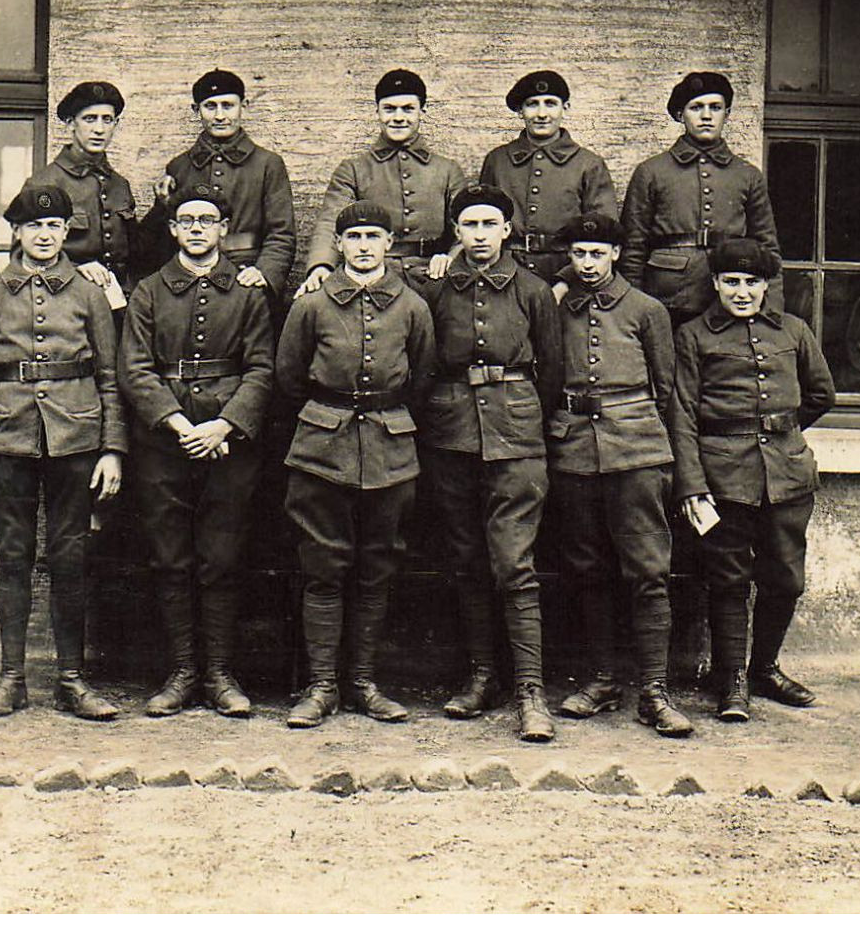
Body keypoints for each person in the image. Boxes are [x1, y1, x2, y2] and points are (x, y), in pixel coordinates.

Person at [0, 182, 127, 720]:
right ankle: (11, 680)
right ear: (19, 233)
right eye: (34, 227)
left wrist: (111, 449)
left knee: (70, 556)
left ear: (66, 232)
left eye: (54, 226)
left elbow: (110, 376)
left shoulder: (89, 293)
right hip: (6, 436)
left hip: (76, 437)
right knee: (13, 555)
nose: (45, 235)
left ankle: (73, 680)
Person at [276, 201, 436, 729]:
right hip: (322, 448)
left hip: (391, 450)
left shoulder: (412, 306)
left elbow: (422, 377)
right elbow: (289, 376)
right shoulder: (312, 307)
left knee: (376, 568)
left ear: (389, 243)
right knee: (323, 566)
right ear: (338, 245)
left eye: (374, 236)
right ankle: (322, 685)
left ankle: (363, 682)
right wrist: (329, 415)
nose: (364, 245)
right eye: (354, 236)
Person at [119, 184, 274, 719]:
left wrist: (224, 426)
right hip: (164, 440)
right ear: (173, 229)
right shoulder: (149, 291)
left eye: (208, 219)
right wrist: (180, 422)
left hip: (229, 442)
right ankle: (183, 670)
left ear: (224, 228)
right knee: (170, 556)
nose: (197, 228)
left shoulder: (250, 293)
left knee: (222, 557)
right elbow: (134, 368)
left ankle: (219, 672)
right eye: (187, 220)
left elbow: (262, 368)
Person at [415, 184, 563, 742]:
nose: (478, 235)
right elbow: (423, 359)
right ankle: (481, 676)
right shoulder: (436, 291)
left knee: (514, 563)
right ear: (456, 231)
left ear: (507, 229)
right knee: (466, 558)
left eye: (489, 224)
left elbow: (550, 370)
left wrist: (522, 418)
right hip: (451, 434)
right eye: (468, 225)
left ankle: (530, 690)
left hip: (517, 435)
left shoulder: (533, 290)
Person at [670, 239, 835, 721]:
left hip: (786, 475)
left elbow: (821, 393)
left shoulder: (793, 330)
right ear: (716, 283)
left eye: (752, 283)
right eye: (732, 282)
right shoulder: (695, 336)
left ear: (766, 285)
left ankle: (764, 668)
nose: (742, 292)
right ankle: (732, 681)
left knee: (785, 577)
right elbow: (681, 414)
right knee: (728, 581)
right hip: (724, 478)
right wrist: (692, 483)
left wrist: (779, 434)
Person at [547, 213, 692, 737]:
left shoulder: (646, 310)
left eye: (597, 253)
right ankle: (603, 679)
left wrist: (677, 465)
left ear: (614, 254)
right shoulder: (555, 305)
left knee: (648, 570)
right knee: (586, 568)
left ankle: (654, 691)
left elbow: (668, 388)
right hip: (573, 452)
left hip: (636, 451)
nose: (587, 264)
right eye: (578, 254)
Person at [618, 71, 782, 327]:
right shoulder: (651, 172)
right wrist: (631, 307)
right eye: (696, 107)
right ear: (680, 115)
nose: (707, 115)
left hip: (729, 297)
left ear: (727, 114)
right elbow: (633, 247)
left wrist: (771, 309)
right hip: (667, 297)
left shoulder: (748, 175)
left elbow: (767, 247)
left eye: (715, 107)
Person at [297, 69, 465, 294]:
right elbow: (330, 223)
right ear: (377, 111)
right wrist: (320, 266)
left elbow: (465, 228)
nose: (398, 117)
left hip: (434, 279)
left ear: (422, 111)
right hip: (372, 279)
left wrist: (450, 258)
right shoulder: (353, 170)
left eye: (407, 109)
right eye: (389, 109)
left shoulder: (447, 170)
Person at [147, 69, 297, 303]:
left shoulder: (267, 164)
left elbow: (282, 233)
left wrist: (264, 272)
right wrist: (162, 206)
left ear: (243, 106)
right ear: (196, 110)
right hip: (191, 281)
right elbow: (164, 239)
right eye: (210, 106)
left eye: (227, 105)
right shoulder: (179, 166)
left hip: (247, 276)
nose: (219, 115)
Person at [478, 70, 617, 281]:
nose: (542, 114)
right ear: (520, 111)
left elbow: (603, 236)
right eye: (532, 104)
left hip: (567, 274)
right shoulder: (497, 161)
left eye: (550, 103)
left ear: (565, 108)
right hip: (505, 273)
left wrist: (566, 281)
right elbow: (482, 222)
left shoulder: (588, 164)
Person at [15, 81, 143, 299]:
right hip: (65, 304)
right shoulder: (46, 184)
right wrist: (73, 270)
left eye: (107, 120)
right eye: (89, 119)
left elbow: (137, 254)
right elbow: (20, 258)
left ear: (116, 124)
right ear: (70, 123)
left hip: (118, 305)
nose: (99, 129)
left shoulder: (120, 186)